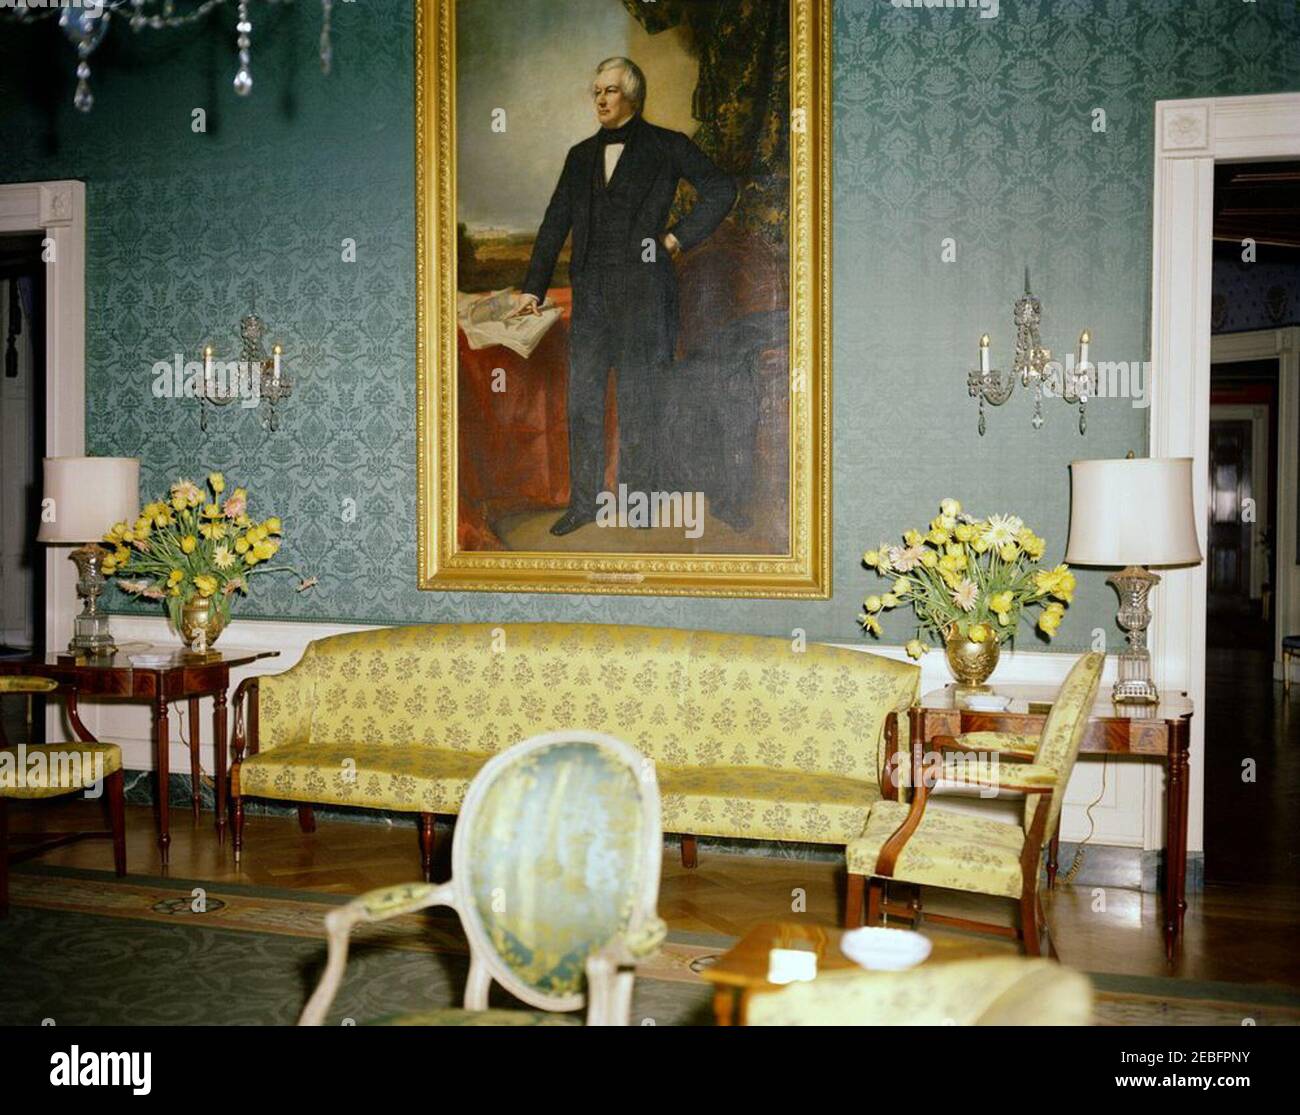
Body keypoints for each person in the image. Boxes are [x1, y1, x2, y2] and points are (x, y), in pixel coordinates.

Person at [512, 56, 736, 536]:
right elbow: (555, 223)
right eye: (595, 90)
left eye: (609, 90)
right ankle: (584, 504)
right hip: (591, 297)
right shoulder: (579, 156)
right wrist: (533, 288)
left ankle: (640, 504)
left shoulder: (667, 146)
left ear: (631, 95)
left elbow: (721, 189)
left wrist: (677, 239)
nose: (599, 98)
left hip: (646, 296)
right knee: (583, 403)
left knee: (640, 402)